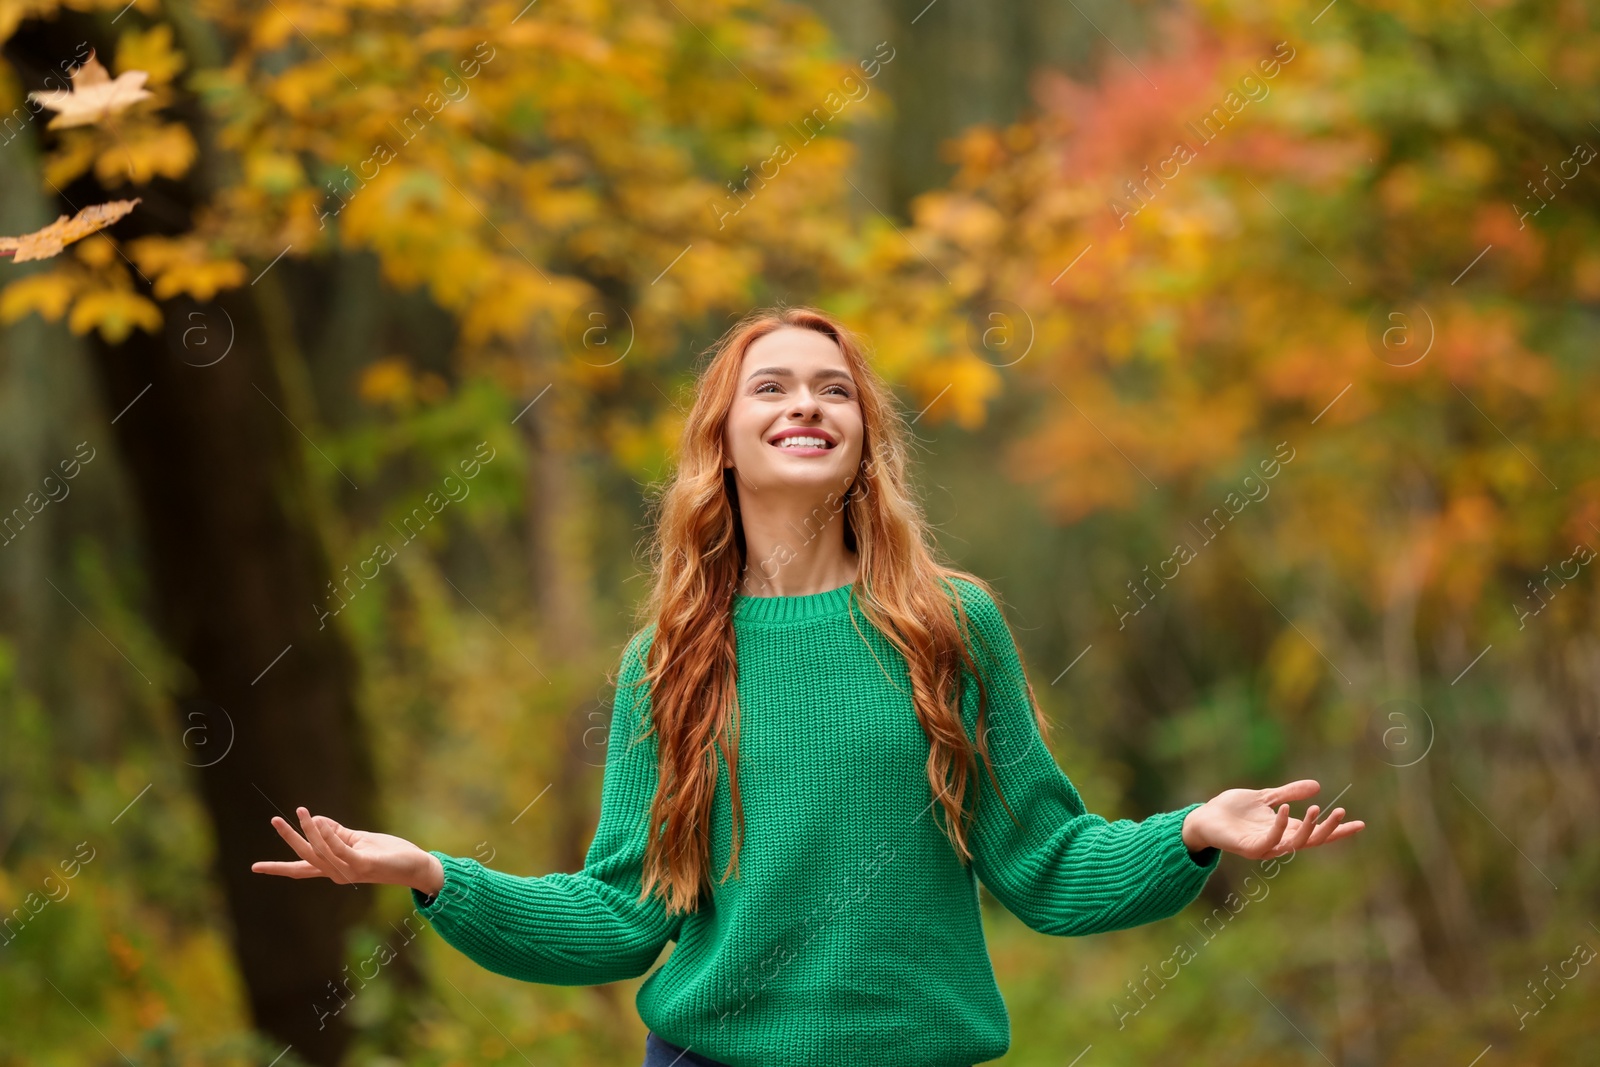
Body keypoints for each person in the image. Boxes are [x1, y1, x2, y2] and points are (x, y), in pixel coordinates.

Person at [253, 305, 1364, 1066]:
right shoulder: (671, 655)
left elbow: (1044, 860)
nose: (809, 402)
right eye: (773, 385)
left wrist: (1193, 832)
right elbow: (620, 912)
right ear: (724, 442)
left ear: (863, 442)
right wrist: (436, 874)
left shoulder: (947, 624)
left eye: (836, 390)